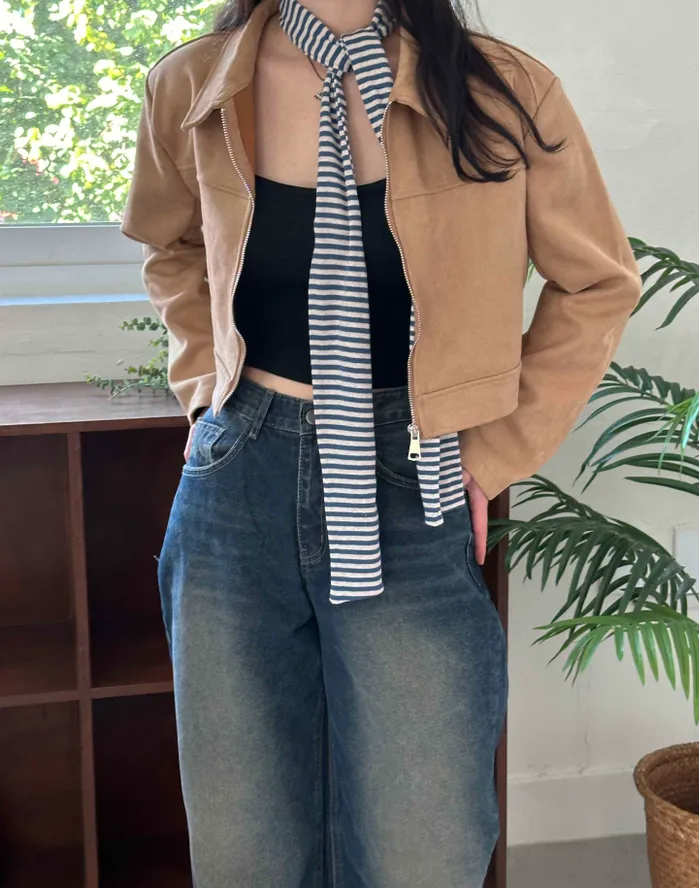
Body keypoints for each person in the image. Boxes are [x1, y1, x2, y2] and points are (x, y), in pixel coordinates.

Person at [121, 0, 642, 885]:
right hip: (239, 480)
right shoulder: (192, 85)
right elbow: (168, 246)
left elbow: (597, 283)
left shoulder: (501, 92)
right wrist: (207, 388)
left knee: (423, 847)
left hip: (413, 477)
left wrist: (492, 453)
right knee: (245, 846)